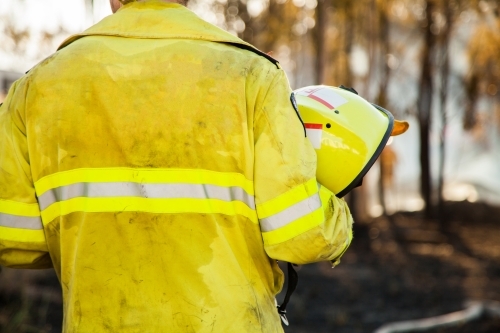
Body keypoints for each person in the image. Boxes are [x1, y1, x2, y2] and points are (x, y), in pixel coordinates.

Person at [0, 0, 353, 331]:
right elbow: (301, 232)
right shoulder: (251, 75)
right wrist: (341, 218)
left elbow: (15, 238)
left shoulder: (36, 87)